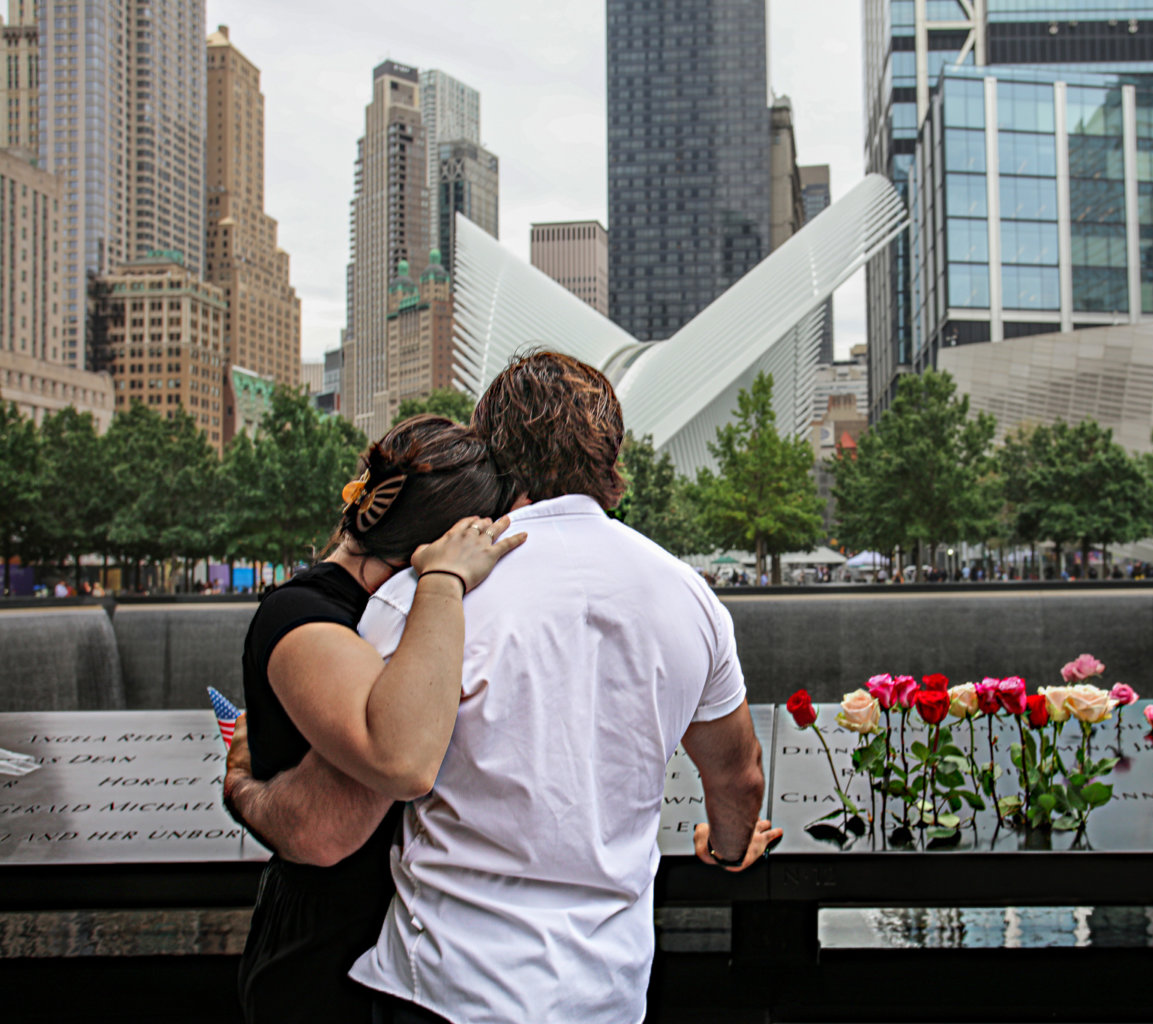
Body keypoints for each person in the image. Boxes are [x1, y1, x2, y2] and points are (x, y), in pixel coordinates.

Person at [227, 353, 778, 1024]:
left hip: (446, 989)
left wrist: (248, 790)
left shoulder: (423, 598)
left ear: (492, 454)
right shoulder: (689, 597)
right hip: (608, 992)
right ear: (613, 460)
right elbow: (739, 775)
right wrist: (726, 846)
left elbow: (334, 818)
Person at [223, 415, 526, 1024]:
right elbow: (386, 778)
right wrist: (442, 583)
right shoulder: (302, 616)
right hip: (327, 964)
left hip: (418, 953)